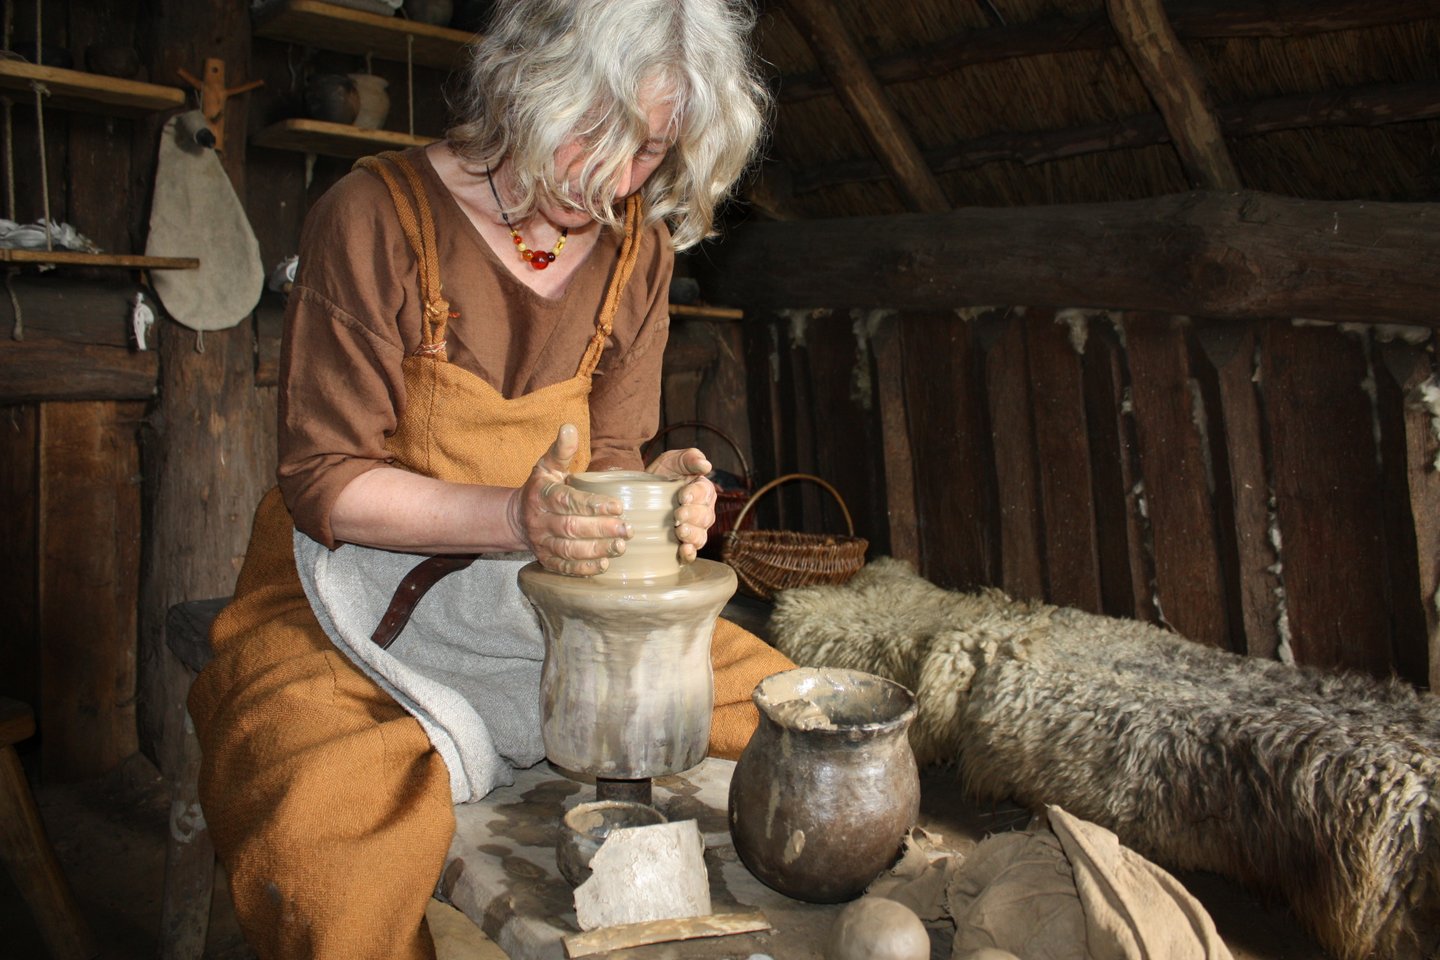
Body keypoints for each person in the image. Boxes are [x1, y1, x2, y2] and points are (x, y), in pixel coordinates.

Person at [186, 1, 795, 957]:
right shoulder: (373, 215)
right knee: (326, 822)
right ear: (528, 82)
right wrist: (516, 516)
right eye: (595, 129)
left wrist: (654, 499)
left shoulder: (640, 247)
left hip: (537, 588)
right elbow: (324, 481)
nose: (614, 178)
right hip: (348, 591)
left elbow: (608, 459)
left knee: (785, 707)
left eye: (651, 150)